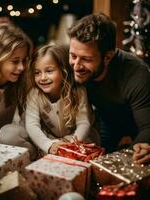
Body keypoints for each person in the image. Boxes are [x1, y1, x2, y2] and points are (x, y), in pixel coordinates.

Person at [67, 12, 150, 162]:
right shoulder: (75, 66)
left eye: (86, 59)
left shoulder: (137, 74)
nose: (77, 66)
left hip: (138, 126)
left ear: (107, 57)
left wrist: (139, 148)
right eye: (73, 56)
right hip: (106, 121)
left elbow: (147, 127)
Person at [25, 44, 99, 155]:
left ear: (63, 71)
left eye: (49, 71)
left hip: (76, 138)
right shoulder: (34, 95)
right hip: (51, 139)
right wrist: (48, 145)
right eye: (37, 73)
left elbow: (84, 123)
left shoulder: (78, 91)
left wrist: (70, 143)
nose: (43, 77)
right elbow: (32, 125)